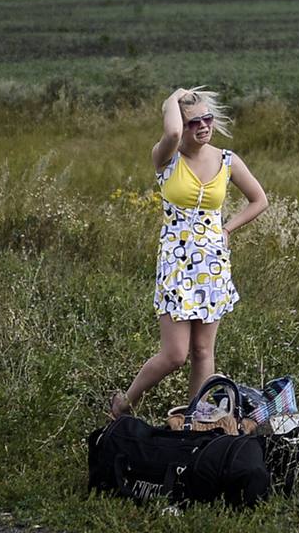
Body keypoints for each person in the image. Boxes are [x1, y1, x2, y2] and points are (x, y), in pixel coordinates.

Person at [110, 87, 268, 418]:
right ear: (182, 125)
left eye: (208, 119)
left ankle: (193, 424)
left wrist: (227, 228)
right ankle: (124, 403)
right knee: (175, 354)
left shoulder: (227, 160)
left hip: (212, 266)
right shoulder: (166, 157)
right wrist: (171, 99)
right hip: (176, 266)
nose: (204, 126)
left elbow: (259, 200)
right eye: (194, 122)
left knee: (202, 350)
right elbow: (170, 131)